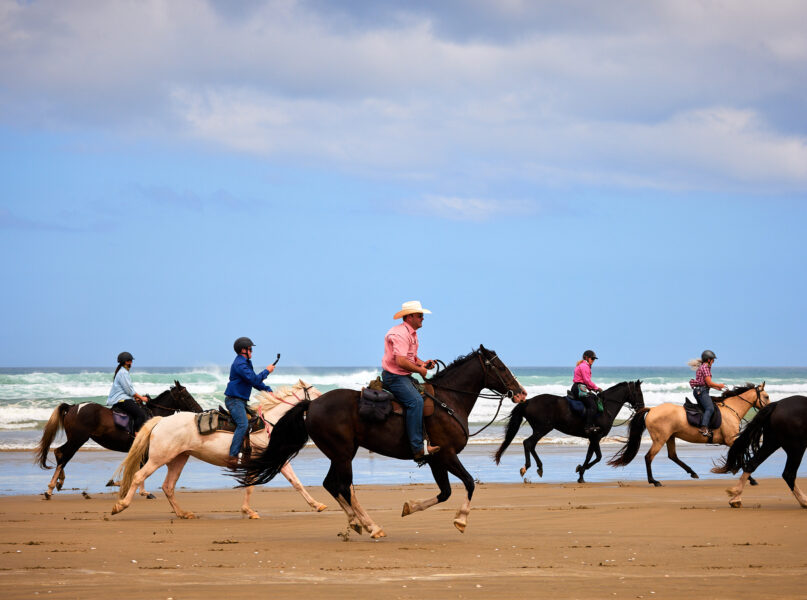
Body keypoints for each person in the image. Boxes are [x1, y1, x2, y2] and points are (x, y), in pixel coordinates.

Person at [381, 301, 440, 461]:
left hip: (402, 375)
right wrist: (420, 370)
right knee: (416, 402)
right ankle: (417, 448)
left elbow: (410, 357)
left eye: (422, 315)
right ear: (410, 317)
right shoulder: (400, 334)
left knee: (427, 396)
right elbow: (400, 361)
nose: (422, 318)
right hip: (395, 377)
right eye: (420, 315)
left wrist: (422, 363)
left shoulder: (411, 333)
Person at [224, 337, 275, 467]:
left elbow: (254, 382)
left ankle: (248, 451)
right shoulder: (240, 364)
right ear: (243, 350)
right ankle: (232, 456)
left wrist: (267, 390)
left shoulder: (245, 363)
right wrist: (267, 371)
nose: (252, 351)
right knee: (243, 424)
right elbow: (253, 379)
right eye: (250, 349)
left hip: (240, 401)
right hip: (234, 401)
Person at [106, 351, 149, 434]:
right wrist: (142, 398)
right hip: (121, 400)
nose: (132, 363)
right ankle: (136, 435)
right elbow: (129, 390)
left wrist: (134, 398)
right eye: (131, 361)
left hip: (123, 398)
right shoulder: (123, 373)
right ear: (127, 362)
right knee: (141, 414)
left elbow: (128, 391)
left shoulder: (123, 372)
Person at [688, 350, 727, 437]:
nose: (713, 362)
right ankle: (703, 428)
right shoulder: (705, 368)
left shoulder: (702, 367)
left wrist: (717, 388)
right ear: (709, 360)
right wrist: (719, 385)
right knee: (710, 408)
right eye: (713, 360)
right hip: (702, 391)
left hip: (699, 391)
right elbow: (709, 383)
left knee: (705, 408)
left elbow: (705, 382)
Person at [572, 349, 603, 435]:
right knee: (592, 405)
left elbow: (586, 382)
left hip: (580, 387)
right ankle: (588, 427)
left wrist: (592, 388)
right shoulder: (584, 366)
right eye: (592, 359)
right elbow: (586, 380)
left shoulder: (584, 365)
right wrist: (596, 388)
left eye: (594, 359)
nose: (593, 361)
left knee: (594, 398)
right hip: (579, 388)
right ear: (586, 358)